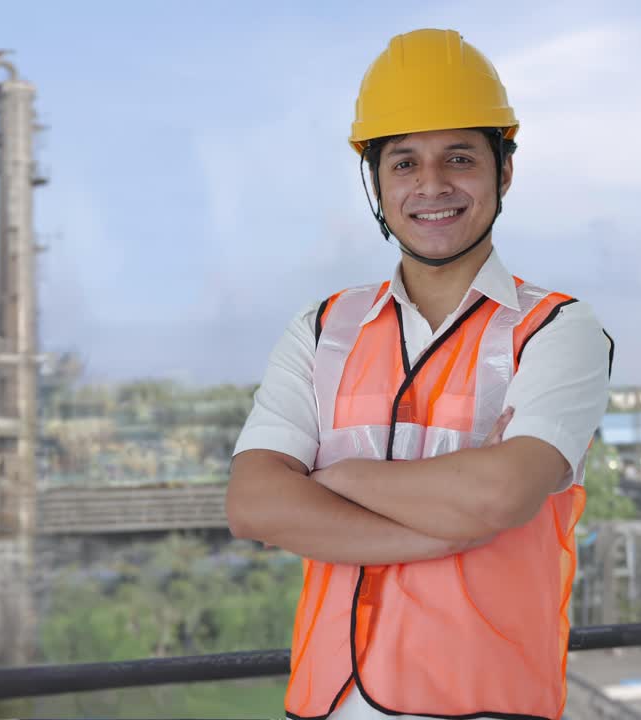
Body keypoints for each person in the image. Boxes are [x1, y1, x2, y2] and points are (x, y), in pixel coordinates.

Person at [227, 28, 612, 720]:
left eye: (459, 158)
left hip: (486, 702)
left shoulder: (557, 330)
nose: (432, 185)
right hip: (328, 701)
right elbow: (254, 505)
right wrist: (447, 528)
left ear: (505, 171)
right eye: (404, 163)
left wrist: (335, 481)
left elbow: (502, 494)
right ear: (375, 181)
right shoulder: (320, 331)